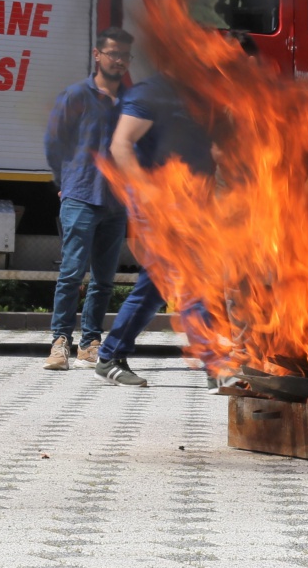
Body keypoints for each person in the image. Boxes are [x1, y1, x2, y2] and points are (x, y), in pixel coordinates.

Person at [94, 70, 219, 387]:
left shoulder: (201, 94)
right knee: (190, 279)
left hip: (191, 203)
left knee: (156, 283)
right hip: (160, 203)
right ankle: (217, 365)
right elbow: (121, 145)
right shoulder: (153, 92)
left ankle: (110, 355)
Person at [42, 29, 134, 371]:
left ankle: (90, 342)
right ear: (97, 55)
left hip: (115, 203)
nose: (120, 60)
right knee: (71, 274)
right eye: (113, 53)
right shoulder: (76, 95)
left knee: (104, 279)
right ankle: (59, 342)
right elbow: (54, 142)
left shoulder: (132, 101)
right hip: (80, 195)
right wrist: (63, 182)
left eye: (125, 55)